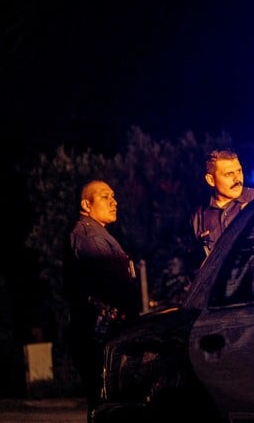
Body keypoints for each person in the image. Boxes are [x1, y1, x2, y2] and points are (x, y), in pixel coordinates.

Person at [63, 180, 140, 421]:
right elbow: (115, 290)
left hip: (101, 334)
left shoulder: (96, 234)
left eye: (114, 196)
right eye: (105, 197)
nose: (114, 202)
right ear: (86, 204)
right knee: (108, 405)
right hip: (102, 336)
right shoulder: (91, 239)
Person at [191, 148, 254, 259]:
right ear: (211, 180)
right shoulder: (199, 217)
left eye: (239, 171)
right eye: (229, 174)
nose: (237, 179)